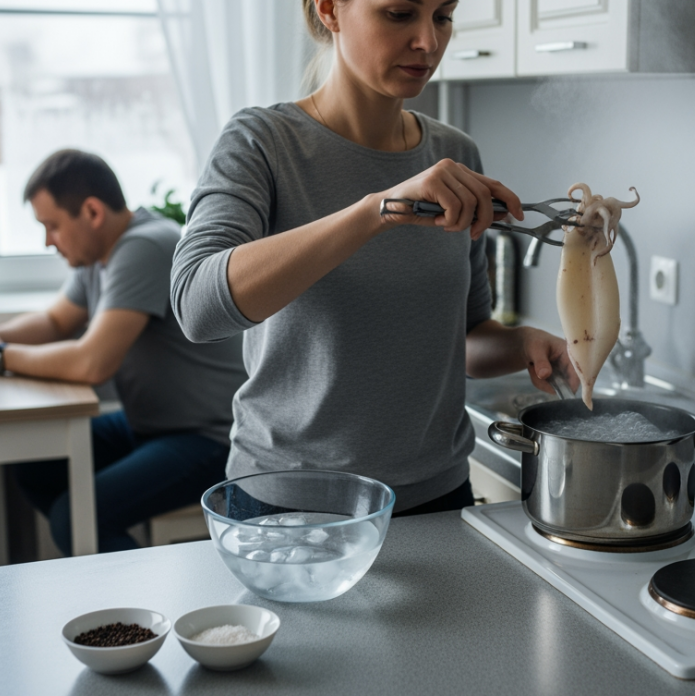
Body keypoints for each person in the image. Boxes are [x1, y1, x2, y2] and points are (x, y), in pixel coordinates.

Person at [170, 0, 575, 517]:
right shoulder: (262, 144)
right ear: (330, 10)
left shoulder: (455, 155)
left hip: (438, 498)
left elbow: (467, 339)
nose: (428, 41)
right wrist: (377, 210)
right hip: (291, 507)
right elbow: (197, 307)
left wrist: (524, 344)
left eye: (443, 15)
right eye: (401, 13)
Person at [0, 149, 247, 553]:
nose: (47, 240)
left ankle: (137, 605)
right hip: (150, 424)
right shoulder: (97, 253)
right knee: (34, 464)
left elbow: (92, 363)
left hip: (207, 437)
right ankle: (103, 554)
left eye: (51, 226)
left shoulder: (144, 247)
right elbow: (55, 322)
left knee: (75, 517)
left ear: (92, 212)